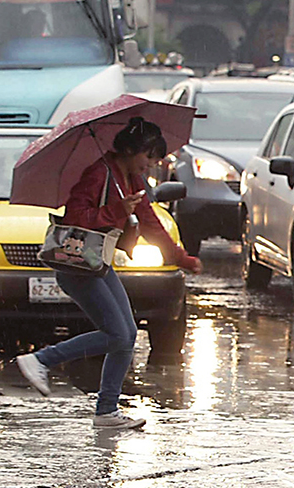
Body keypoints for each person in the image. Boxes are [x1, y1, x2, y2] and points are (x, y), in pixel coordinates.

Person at [16, 118, 203, 429]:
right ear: (130, 150)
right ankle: (41, 360)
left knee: (127, 334)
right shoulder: (99, 173)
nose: (150, 165)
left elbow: (150, 223)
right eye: (147, 157)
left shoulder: (132, 181)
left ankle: (106, 411)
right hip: (77, 265)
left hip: (97, 263)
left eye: (155, 159)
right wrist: (117, 210)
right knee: (117, 334)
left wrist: (181, 258)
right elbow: (77, 217)